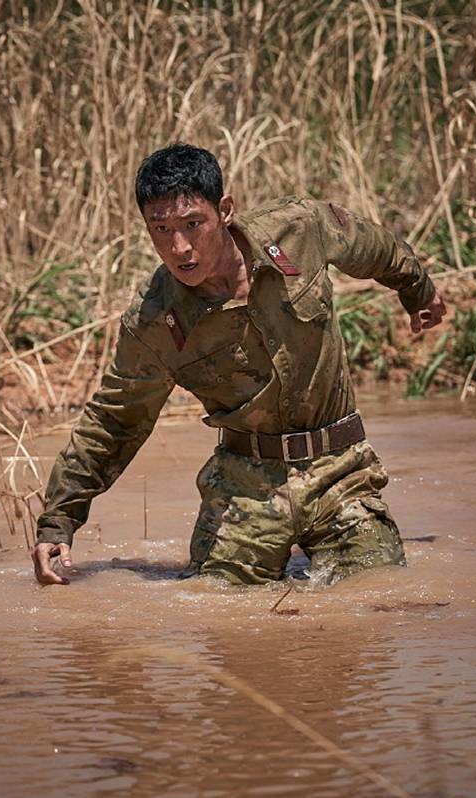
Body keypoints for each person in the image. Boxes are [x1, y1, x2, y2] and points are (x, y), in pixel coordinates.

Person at [31, 144, 445, 586]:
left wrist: (416, 289)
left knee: (381, 596)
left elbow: (371, 246)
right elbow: (114, 422)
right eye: (161, 229)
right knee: (219, 610)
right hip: (243, 489)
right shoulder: (154, 320)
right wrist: (59, 520)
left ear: (225, 210)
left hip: (340, 471)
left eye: (193, 224)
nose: (180, 247)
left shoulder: (298, 229)